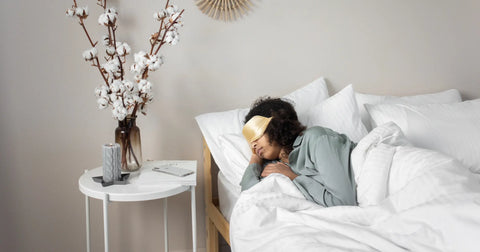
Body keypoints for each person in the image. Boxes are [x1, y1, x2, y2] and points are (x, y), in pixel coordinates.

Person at [240, 97, 357, 207]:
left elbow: (344, 202)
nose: (253, 144)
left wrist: (293, 176)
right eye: (250, 141)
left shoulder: (316, 139)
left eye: (255, 134)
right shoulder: (275, 166)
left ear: (275, 124)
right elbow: (250, 197)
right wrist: (255, 158)